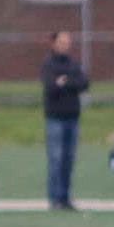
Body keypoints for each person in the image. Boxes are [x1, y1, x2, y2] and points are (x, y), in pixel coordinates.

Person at [41, 31, 89, 211]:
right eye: (61, 42)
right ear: (53, 43)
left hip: (73, 118)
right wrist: (64, 84)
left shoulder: (73, 64)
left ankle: (65, 197)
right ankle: (55, 199)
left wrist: (66, 83)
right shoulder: (48, 65)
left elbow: (83, 83)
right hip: (55, 119)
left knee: (69, 159)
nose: (65, 45)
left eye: (67, 42)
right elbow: (51, 86)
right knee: (56, 158)